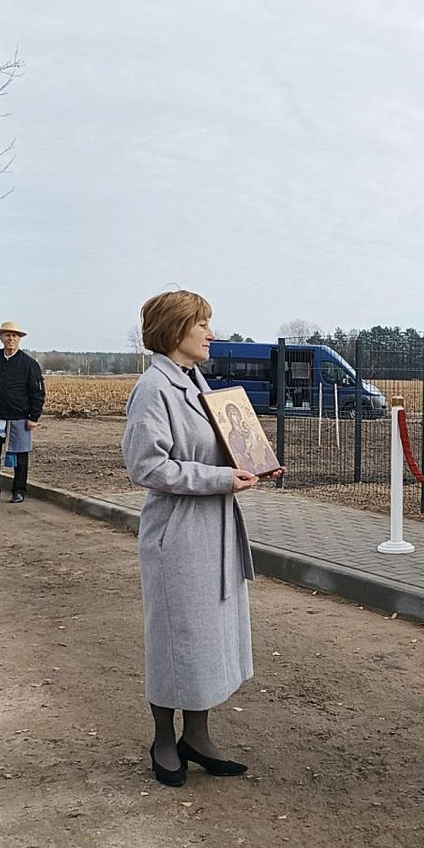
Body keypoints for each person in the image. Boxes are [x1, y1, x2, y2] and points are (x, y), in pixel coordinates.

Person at [122, 291, 258, 787]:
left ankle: (197, 737)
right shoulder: (153, 388)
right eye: (203, 323)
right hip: (178, 533)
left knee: (207, 637)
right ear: (176, 330)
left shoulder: (197, 382)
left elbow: (215, 449)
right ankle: (163, 738)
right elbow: (146, 465)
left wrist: (247, 464)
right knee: (175, 636)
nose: (211, 333)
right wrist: (220, 479)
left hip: (214, 528)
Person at [0, 321, 45, 504]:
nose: (11, 339)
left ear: (19, 339)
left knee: (20, 457)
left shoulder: (29, 364)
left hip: (20, 418)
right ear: (1, 337)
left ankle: (19, 490)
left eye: (14, 336)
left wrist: (34, 417)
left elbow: (37, 392)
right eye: (7, 335)